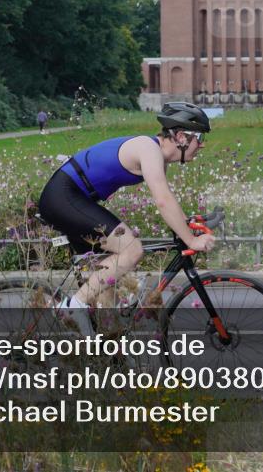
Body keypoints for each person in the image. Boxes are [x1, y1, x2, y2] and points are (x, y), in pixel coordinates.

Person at [37, 102, 215, 334]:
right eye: (199, 138)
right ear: (181, 136)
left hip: (74, 198)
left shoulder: (156, 156)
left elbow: (167, 198)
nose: (201, 146)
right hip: (63, 196)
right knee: (132, 250)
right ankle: (73, 307)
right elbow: (162, 200)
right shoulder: (149, 149)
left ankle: (104, 354)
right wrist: (191, 241)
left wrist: (189, 223)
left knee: (106, 296)